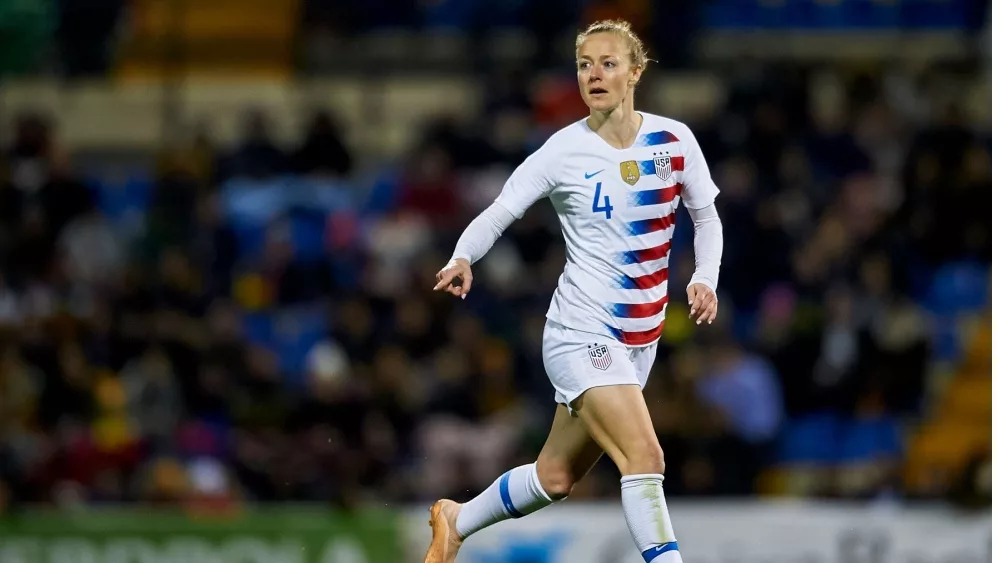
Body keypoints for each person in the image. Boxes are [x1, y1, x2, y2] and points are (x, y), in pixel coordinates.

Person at [425, 19, 723, 563]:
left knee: (556, 477)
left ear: (636, 72)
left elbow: (707, 218)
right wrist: (463, 255)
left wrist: (705, 277)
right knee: (644, 457)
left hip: (640, 340)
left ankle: (456, 519)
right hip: (580, 331)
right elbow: (501, 209)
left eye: (608, 63)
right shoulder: (563, 151)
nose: (594, 74)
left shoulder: (675, 140)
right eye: (585, 64)